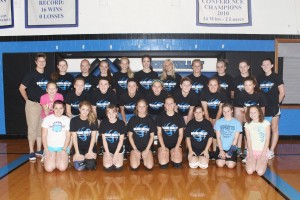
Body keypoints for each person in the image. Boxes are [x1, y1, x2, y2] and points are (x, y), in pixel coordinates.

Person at [19, 53, 49, 161]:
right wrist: (27, 100)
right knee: (32, 128)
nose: (41, 63)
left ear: (45, 62)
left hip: (44, 105)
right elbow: (21, 88)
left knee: (41, 128)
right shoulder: (30, 75)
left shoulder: (47, 75)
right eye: (39, 61)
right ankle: (31, 151)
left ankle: (39, 149)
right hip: (33, 104)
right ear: (36, 62)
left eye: (43, 61)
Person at [257, 58, 285, 160]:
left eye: (267, 64)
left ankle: (271, 150)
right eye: (263, 65)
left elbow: (282, 93)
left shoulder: (276, 77)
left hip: (273, 107)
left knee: (274, 128)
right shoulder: (259, 78)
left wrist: (276, 104)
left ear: (272, 65)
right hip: (263, 108)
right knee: (263, 130)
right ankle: (264, 149)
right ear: (261, 66)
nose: (265, 66)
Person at [156, 96, 185, 168]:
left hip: (175, 144)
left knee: (177, 164)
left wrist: (176, 148)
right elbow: (159, 134)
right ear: (164, 105)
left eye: (171, 103)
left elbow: (181, 134)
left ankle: (172, 155)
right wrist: (163, 148)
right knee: (163, 164)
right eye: (167, 103)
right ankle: (166, 154)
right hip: (163, 144)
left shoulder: (179, 117)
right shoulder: (160, 117)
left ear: (175, 104)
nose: (169, 105)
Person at [41, 100, 71, 172]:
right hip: (50, 148)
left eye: (61, 108)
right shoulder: (47, 119)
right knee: (49, 169)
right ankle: (48, 157)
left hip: (62, 147)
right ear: (53, 109)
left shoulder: (67, 120)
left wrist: (64, 150)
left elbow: (68, 136)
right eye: (56, 108)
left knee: (62, 168)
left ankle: (64, 156)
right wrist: (46, 150)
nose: (58, 110)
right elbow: (44, 136)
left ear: (64, 109)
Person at [127, 99, 156, 170]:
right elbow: (130, 136)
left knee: (149, 166)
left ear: (146, 107)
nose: (142, 108)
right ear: (136, 107)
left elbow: (152, 137)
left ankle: (144, 157)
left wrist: (146, 150)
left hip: (147, 148)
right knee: (134, 166)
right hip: (135, 148)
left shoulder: (150, 120)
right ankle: (138, 157)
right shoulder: (132, 120)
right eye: (140, 106)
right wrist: (135, 149)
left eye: (143, 106)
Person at [71, 101, 97, 171]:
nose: (85, 112)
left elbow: (93, 137)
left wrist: (90, 151)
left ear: (90, 110)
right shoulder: (73, 121)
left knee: (90, 166)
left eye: (87, 110)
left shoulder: (93, 120)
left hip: (90, 146)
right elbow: (74, 137)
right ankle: (83, 159)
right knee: (79, 168)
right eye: (83, 109)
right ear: (79, 109)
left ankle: (88, 160)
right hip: (79, 147)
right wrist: (77, 152)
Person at [214, 103, 242, 168]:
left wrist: (230, 151)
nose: (226, 113)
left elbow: (236, 138)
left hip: (231, 148)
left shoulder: (237, 123)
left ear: (232, 111)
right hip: (221, 147)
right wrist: (221, 150)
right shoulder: (219, 122)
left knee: (230, 165)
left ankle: (230, 158)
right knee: (220, 164)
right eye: (224, 111)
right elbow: (218, 137)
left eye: (228, 111)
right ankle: (223, 157)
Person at [244, 105, 271, 176]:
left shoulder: (266, 123)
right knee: (250, 171)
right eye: (251, 112)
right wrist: (251, 154)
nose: (253, 114)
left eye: (255, 112)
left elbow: (267, 139)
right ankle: (252, 161)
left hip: (263, 151)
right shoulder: (247, 125)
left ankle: (262, 161)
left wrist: (263, 154)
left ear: (259, 112)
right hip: (252, 151)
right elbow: (248, 140)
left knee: (259, 172)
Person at [99, 104, 125, 170]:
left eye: (113, 112)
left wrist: (116, 155)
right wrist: (107, 154)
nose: (111, 115)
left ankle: (120, 155)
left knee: (118, 167)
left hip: (118, 149)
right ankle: (107, 154)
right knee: (108, 167)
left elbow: (121, 141)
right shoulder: (103, 123)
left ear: (116, 113)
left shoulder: (121, 123)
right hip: (108, 149)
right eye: (109, 113)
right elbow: (104, 140)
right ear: (106, 114)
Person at [232, 60, 250, 157]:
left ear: (248, 67)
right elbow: (232, 94)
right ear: (238, 68)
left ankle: (247, 148)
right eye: (240, 67)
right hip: (238, 106)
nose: (243, 68)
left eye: (244, 66)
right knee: (238, 128)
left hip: (249, 107)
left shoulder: (253, 79)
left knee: (247, 127)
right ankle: (238, 148)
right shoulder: (235, 80)